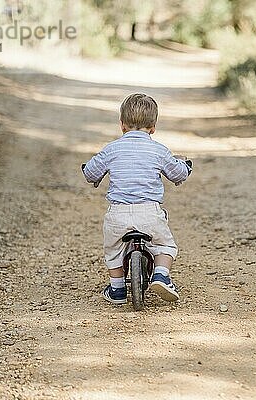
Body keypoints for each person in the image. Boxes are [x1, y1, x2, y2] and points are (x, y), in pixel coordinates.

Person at [82, 93, 191, 304]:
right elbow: (177, 173)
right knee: (165, 246)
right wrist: (185, 168)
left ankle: (117, 289)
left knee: (113, 250)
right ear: (153, 127)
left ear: (122, 125)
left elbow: (91, 173)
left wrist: (88, 170)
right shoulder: (159, 150)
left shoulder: (111, 149)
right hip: (149, 213)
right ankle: (161, 274)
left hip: (118, 214)